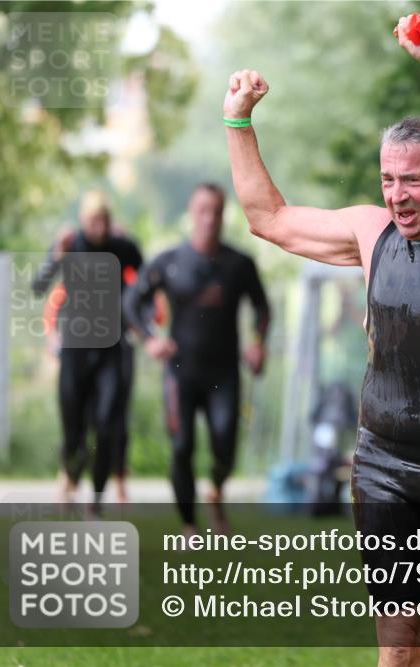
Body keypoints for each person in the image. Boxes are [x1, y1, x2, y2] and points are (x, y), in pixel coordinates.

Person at [224, 13, 420, 666]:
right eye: (388, 180)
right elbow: (267, 217)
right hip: (383, 467)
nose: (397, 194)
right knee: (401, 646)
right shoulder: (371, 232)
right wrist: (238, 123)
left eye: (412, 179)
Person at [123, 183, 270, 535]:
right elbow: (131, 302)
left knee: (224, 447)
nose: (209, 218)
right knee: (182, 447)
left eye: (216, 211)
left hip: (224, 373)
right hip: (180, 372)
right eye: (202, 210)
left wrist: (257, 342)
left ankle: (216, 490)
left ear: (223, 215)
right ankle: (190, 525)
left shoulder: (239, 264)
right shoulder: (170, 262)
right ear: (192, 213)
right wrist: (150, 338)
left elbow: (262, 307)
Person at [32, 189, 143, 509]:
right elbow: (39, 286)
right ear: (83, 220)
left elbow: (147, 283)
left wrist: (140, 322)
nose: (100, 226)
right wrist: (56, 255)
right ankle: (69, 478)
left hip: (112, 348)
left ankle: (98, 495)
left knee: (108, 420)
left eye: (105, 220)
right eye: (94, 220)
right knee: (73, 424)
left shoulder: (123, 247)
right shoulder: (71, 246)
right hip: (76, 349)